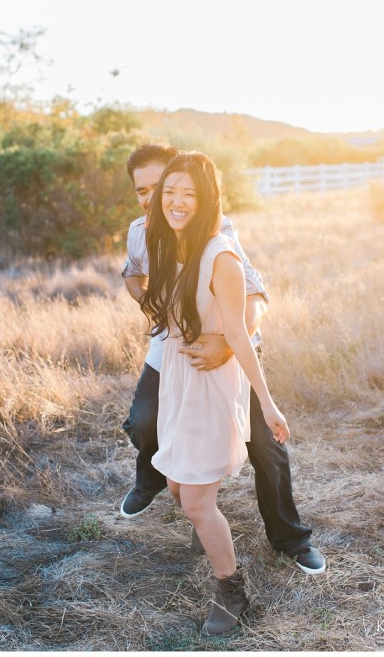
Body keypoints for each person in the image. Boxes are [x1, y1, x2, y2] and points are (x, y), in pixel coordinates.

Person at [120, 144, 326, 577]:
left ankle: (290, 538)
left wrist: (227, 345)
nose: (159, 197)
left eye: (169, 186)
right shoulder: (140, 231)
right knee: (144, 423)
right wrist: (154, 304)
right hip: (172, 350)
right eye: (148, 190)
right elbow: (132, 274)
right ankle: (163, 481)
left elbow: (254, 296)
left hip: (228, 346)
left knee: (266, 447)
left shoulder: (217, 233)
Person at [141, 150, 292, 633]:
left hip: (211, 388)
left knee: (197, 502)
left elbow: (241, 335)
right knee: (176, 484)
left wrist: (266, 404)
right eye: (171, 192)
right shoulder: (169, 246)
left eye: (189, 194)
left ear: (208, 200)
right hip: (179, 383)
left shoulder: (220, 256)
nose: (177, 202)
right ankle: (207, 532)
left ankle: (232, 589)